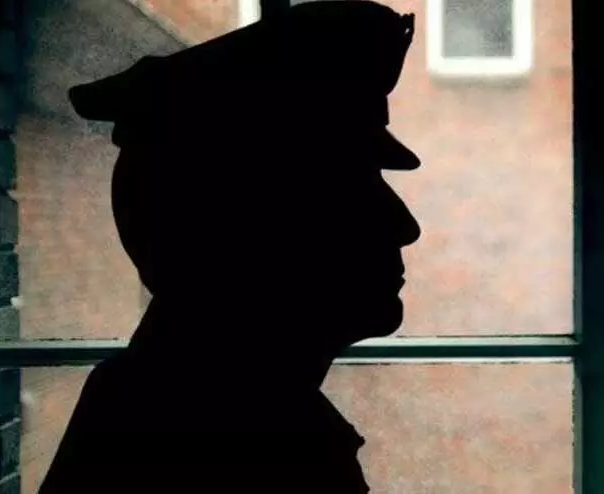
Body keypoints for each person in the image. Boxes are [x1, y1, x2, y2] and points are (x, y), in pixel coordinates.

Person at [38, 1, 420, 492]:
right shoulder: (261, 445)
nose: (405, 226)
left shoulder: (160, 406)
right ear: (246, 226)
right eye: (345, 190)